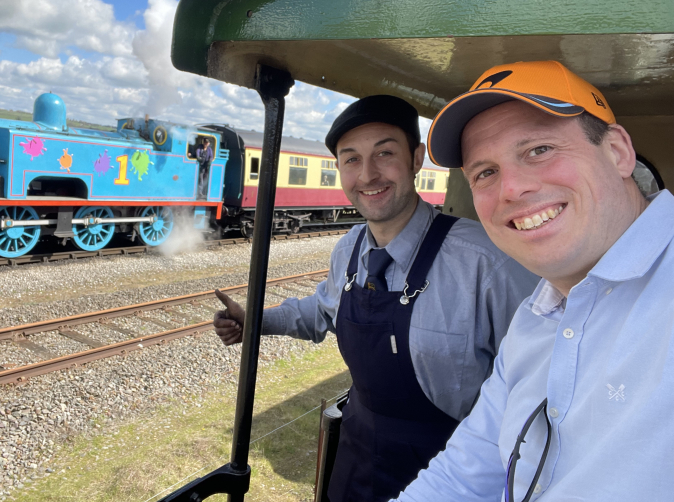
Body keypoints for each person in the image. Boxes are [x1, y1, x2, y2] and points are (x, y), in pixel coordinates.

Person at [213, 95, 540, 501]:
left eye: (384, 153)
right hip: (355, 467)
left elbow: (536, 390)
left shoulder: (487, 263)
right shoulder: (349, 249)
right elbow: (321, 311)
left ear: (416, 159)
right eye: (351, 159)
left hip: (451, 478)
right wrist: (256, 321)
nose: (367, 174)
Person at [393, 60, 673, 502]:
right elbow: (464, 477)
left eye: (539, 149)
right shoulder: (533, 318)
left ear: (618, 152)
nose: (512, 189)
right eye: (485, 172)